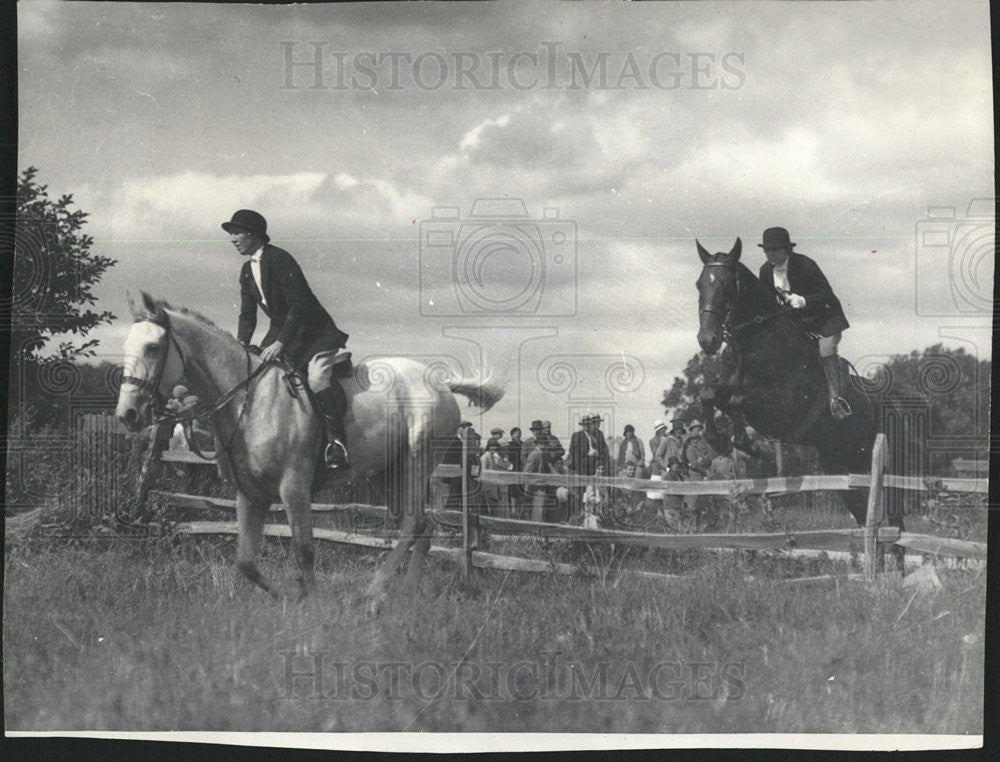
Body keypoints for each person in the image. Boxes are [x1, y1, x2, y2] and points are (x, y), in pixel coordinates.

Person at [224, 209, 351, 468]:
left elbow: (298, 305)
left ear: (253, 234)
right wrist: (240, 344)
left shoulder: (281, 259)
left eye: (236, 233)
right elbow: (248, 315)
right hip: (283, 333)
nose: (233, 239)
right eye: (232, 234)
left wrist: (279, 343)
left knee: (316, 379)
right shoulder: (246, 271)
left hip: (315, 333)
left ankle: (336, 443)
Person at [758, 226, 852, 419]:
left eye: (775, 250)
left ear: (786, 249)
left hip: (825, 318)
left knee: (825, 349)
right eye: (767, 250)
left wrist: (804, 300)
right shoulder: (765, 271)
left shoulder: (805, 264)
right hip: (796, 321)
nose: (770, 254)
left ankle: (836, 400)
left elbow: (827, 294)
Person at [682, 419, 716, 528]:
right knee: (693, 503)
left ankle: (705, 525)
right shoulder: (689, 449)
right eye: (693, 437)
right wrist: (705, 470)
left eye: (697, 437)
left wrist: (704, 460)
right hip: (694, 477)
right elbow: (694, 464)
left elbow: (709, 456)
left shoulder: (703, 444)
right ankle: (692, 526)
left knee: (704, 502)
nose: (696, 439)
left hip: (702, 477)